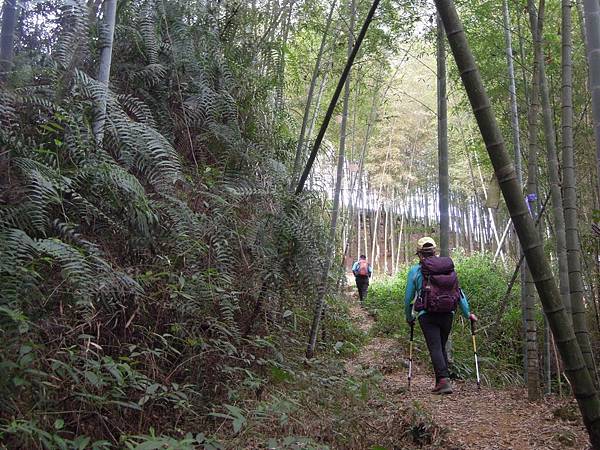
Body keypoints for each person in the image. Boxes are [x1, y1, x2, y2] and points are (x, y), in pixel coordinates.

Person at [404, 237, 477, 394]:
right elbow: (459, 293)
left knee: (435, 346)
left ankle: (443, 381)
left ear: (419, 254)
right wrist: (468, 314)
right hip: (447, 313)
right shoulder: (448, 269)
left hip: (427, 314)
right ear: (435, 252)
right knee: (440, 345)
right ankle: (442, 380)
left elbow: (408, 297)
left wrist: (409, 317)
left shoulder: (416, 271)